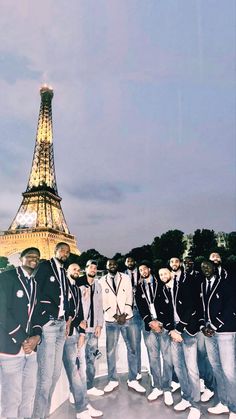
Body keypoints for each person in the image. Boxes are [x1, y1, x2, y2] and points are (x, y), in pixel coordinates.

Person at [0, 247, 42, 418]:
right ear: (21, 258)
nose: (34, 259)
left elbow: (38, 313)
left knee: (29, 394)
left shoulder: (35, 283)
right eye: (30, 256)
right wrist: (23, 339)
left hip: (30, 350)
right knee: (12, 397)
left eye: (37, 257)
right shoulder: (6, 278)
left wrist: (37, 337)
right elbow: (2, 312)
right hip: (11, 347)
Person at [33, 242, 73, 418]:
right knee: (45, 377)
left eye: (68, 251)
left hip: (61, 325)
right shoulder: (45, 267)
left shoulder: (63, 273)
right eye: (62, 250)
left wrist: (69, 317)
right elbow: (34, 290)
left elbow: (66, 297)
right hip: (48, 325)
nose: (65, 253)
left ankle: (44, 413)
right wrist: (42, 316)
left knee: (55, 374)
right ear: (55, 251)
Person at [163, 259, 202, 419]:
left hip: (187, 331)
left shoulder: (184, 285)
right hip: (174, 333)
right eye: (162, 274)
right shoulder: (164, 290)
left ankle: (196, 406)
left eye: (166, 273)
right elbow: (163, 313)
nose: (164, 275)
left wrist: (178, 329)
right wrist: (171, 330)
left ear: (172, 273)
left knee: (192, 369)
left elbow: (191, 308)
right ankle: (186, 397)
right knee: (179, 368)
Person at [63, 263, 102, 419]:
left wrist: (83, 333)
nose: (77, 272)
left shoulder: (76, 288)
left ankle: (81, 402)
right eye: (74, 269)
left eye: (77, 270)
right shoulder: (69, 286)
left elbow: (81, 314)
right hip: (66, 335)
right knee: (76, 371)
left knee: (80, 369)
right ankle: (82, 407)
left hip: (78, 333)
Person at [100, 259, 146, 394]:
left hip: (128, 318)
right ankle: (113, 380)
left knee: (132, 349)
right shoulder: (102, 281)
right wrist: (115, 316)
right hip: (111, 321)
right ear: (106, 266)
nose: (112, 266)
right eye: (110, 264)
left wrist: (124, 314)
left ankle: (132, 379)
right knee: (110, 351)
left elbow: (129, 296)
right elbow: (103, 300)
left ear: (117, 266)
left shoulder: (125, 278)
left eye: (114, 264)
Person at [200, 260, 236, 419]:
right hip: (209, 333)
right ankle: (224, 402)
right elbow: (201, 308)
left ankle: (234, 408)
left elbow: (231, 306)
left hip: (225, 331)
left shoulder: (226, 282)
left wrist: (214, 325)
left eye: (208, 266)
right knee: (216, 368)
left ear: (214, 267)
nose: (205, 269)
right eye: (202, 268)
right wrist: (203, 326)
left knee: (228, 370)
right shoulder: (202, 285)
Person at [135, 261, 173, 405]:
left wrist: (161, 322)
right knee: (154, 358)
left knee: (167, 357)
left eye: (145, 268)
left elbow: (168, 304)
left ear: (149, 269)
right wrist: (151, 322)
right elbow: (141, 307)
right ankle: (157, 387)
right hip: (150, 326)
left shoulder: (160, 283)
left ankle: (167, 388)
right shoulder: (139, 287)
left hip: (162, 325)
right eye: (140, 270)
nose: (143, 271)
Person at [183, 256, 215, 401]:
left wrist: (202, 322)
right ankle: (199, 383)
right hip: (188, 325)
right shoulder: (180, 277)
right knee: (191, 359)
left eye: (190, 262)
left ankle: (210, 386)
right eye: (185, 262)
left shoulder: (200, 276)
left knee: (203, 356)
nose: (188, 264)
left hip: (200, 323)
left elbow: (202, 300)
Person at [77, 260, 104, 397]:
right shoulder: (78, 283)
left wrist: (99, 325)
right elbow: (75, 306)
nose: (93, 269)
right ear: (85, 268)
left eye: (95, 268)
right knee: (78, 360)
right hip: (81, 330)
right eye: (91, 267)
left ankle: (90, 385)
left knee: (91, 359)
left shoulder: (97, 285)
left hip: (93, 329)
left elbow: (99, 306)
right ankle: (76, 389)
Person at [124, 255, 142, 380]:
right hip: (132, 311)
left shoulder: (142, 273)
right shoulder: (122, 276)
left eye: (132, 260)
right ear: (125, 263)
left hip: (145, 311)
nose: (130, 262)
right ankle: (137, 370)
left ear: (135, 262)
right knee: (135, 343)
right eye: (128, 261)